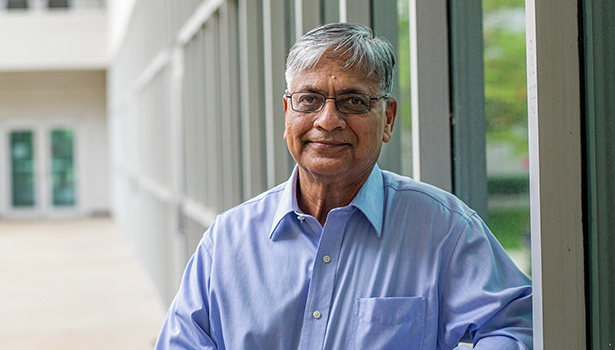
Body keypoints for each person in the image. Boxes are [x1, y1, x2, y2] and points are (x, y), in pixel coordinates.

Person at [155, 23, 532, 349]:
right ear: (288, 115)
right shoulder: (228, 241)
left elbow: (517, 326)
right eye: (309, 100)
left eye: (353, 101)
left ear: (387, 119)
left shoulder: (443, 228)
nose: (328, 120)